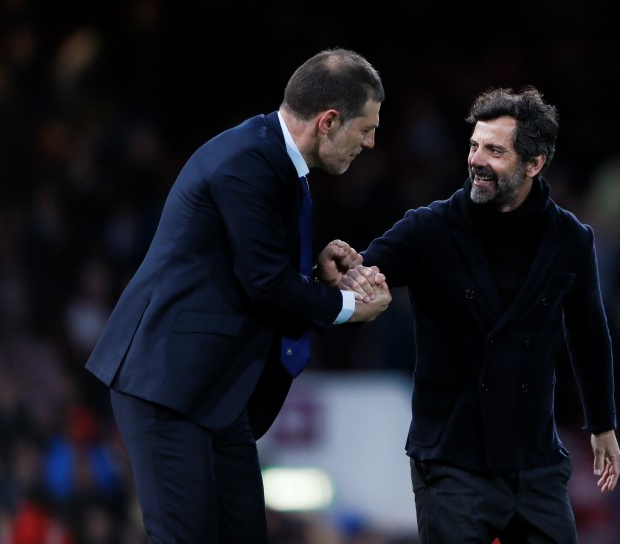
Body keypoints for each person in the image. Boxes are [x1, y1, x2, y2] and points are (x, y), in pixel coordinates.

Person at [84, 48, 392, 543]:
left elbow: (248, 271)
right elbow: (264, 283)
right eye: (366, 127)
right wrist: (352, 308)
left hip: (213, 391)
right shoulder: (247, 161)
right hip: (166, 385)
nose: (372, 142)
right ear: (329, 121)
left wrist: (318, 277)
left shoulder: (272, 157)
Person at [342, 86, 620, 543]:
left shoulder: (571, 239)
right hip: (451, 461)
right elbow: (361, 277)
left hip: (535, 464)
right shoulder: (428, 228)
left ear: (533, 164)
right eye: (474, 146)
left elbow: (590, 334)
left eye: (494, 150)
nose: (476, 159)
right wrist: (341, 273)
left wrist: (603, 423)